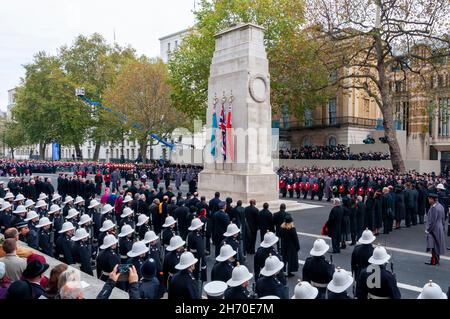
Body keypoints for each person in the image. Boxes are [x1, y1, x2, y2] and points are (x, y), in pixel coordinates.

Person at [425, 193, 446, 265]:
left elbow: (432, 221)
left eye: (429, 199)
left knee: (433, 245)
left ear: (432, 199)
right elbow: (443, 218)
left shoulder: (434, 208)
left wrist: (428, 229)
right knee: (437, 244)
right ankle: (436, 260)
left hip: (434, 229)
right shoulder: (440, 206)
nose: (428, 200)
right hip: (439, 227)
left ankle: (433, 261)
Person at [186, 218, 207, 289]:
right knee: (197, 275)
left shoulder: (189, 234)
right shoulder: (198, 236)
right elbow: (201, 251)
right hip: (197, 257)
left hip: (190, 255)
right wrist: (203, 263)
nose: (201, 226)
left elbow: (187, 246)